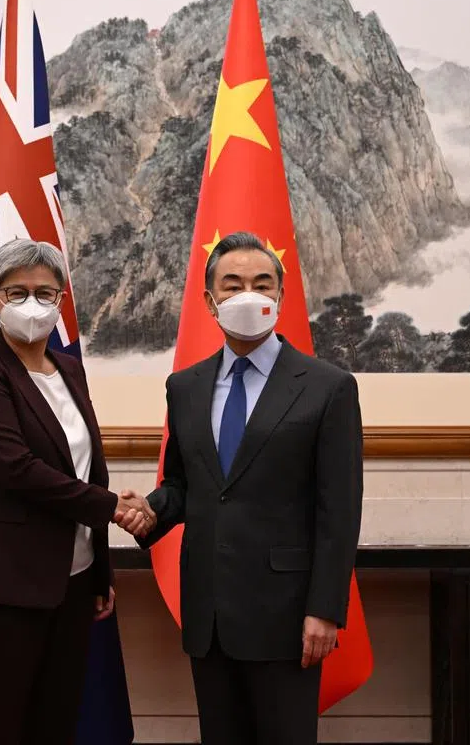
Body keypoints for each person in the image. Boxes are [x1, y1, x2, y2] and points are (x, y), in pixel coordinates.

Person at [130, 231, 364, 745]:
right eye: (231, 285)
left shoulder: (328, 387)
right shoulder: (185, 386)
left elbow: (339, 512)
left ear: (280, 296)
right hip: (209, 614)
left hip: (288, 618)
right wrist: (148, 511)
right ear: (209, 300)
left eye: (262, 283)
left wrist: (325, 610)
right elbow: (185, 483)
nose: (247, 294)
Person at [0, 237, 156, 745]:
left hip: (72, 584)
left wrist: (99, 570)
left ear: (61, 301)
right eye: (16, 293)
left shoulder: (69, 370)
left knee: (56, 725)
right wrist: (114, 509)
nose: (32, 305)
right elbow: (17, 470)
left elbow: (87, 469)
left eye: (44, 292)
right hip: (4, 588)